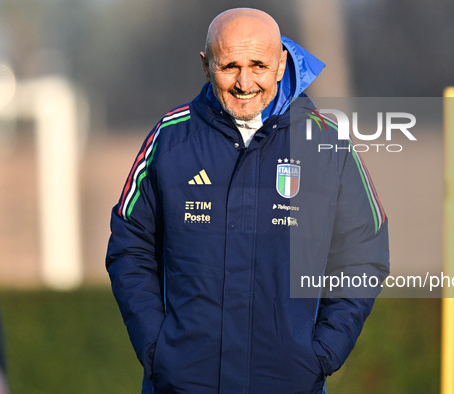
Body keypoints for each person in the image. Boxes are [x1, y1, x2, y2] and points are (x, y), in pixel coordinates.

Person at [106, 7, 389, 393]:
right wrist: (158, 349)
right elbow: (129, 248)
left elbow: (363, 253)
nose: (244, 82)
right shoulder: (170, 139)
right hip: (183, 384)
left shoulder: (327, 144)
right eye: (229, 66)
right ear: (206, 65)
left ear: (280, 63)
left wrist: (322, 352)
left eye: (258, 64)